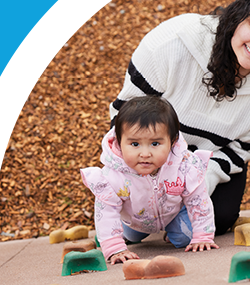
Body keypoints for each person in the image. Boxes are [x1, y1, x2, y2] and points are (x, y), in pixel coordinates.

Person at [109, 0, 250, 235]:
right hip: (151, 152)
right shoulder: (173, 42)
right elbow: (123, 118)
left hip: (210, 158)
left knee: (219, 218)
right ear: (238, 17)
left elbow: (243, 146)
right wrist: (149, 178)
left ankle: (175, 216)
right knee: (135, 228)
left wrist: (202, 181)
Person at [81, 95, 219, 264]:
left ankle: (172, 231)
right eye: (134, 144)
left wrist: (203, 236)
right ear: (119, 142)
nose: (145, 154)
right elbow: (107, 210)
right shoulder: (113, 176)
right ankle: (109, 237)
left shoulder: (183, 165)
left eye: (155, 144)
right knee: (129, 235)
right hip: (134, 221)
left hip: (172, 214)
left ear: (172, 141)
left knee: (186, 237)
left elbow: (198, 200)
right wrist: (115, 248)